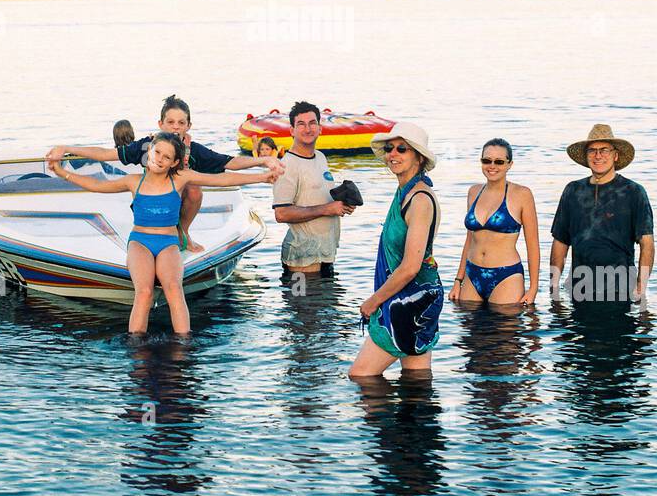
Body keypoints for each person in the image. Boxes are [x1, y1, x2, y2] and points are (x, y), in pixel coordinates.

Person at [46, 131, 280, 336]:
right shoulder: (133, 181)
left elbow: (221, 178)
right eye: (157, 152)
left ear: (174, 162)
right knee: (145, 292)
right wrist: (61, 171)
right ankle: (136, 347)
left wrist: (261, 176)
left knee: (173, 289)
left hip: (168, 241)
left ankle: (183, 348)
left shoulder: (180, 178)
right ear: (149, 151)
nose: (159, 159)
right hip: (140, 241)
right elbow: (95, 185)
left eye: (166, 157)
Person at [48, 94, 272, 251]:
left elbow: (229, 164)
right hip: (148, 206)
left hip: (175, 203)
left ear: (188, 126)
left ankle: (182, 232)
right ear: (161, 124)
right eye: (170, 122)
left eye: (181, 122)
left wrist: (263, 162)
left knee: (194, 190)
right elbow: (106, 154)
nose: (176, 127)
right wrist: (67, 148)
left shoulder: (194, 151)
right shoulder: (146, 147)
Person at [349, 122, 444, 379]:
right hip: (414, 297)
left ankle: (382, 421)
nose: (393, 154)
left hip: (410, 301)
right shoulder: (405, 191)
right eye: (390, 148)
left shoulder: (420, 199)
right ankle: (414, 421)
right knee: (416, 383)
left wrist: (374, 301)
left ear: (419, 157)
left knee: (361, 376)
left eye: (402, 149)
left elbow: (411, 266)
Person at [549, 123, 654, 304]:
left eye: (604, 150)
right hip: (579, 287)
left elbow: (647, 244)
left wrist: (640, 288)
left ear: (615, 155)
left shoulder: (633, 192)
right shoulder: (573, 191)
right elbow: (560, 242)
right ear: (586, 156)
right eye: (592, 151)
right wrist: (554, 287)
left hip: (621, 287)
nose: (598, 156)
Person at [449, 137, 539, 307]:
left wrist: (533, 288)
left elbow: (532, 244)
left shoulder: (522, 194)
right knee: (469, 332)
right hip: (472, 273)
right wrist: (457, 280)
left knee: (503, 332)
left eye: (499, 161)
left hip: (506, 276)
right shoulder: (473, 192)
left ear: (509, 164)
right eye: (487, 160)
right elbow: (470, 239)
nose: (492, 166)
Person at [272, 101, 355, 279]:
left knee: (325, 304)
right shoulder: (287, 165)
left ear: (320, 128)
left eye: (312, 123)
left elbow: (317, 197)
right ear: (291, 130)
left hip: (325, 254)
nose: (307, 129)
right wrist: (327, 209)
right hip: (301, 262)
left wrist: (341, 206)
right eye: (301, 124)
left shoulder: (321, 157)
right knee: (302, 306)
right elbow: (281, 213)